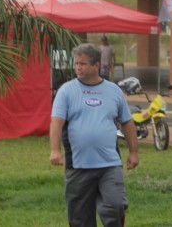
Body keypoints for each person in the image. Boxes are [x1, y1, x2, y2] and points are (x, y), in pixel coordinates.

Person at [50, 43, 139, 227]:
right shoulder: (66, 90)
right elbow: (56, 121)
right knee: (79, 217)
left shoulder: (113, 91)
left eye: (83, 64)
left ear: (96, 65)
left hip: (109, 164)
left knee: (115, 205)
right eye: (76, 64)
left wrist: (133, 152)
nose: (78, 68)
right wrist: (55, 150)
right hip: (78, 165)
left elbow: (127, 122)